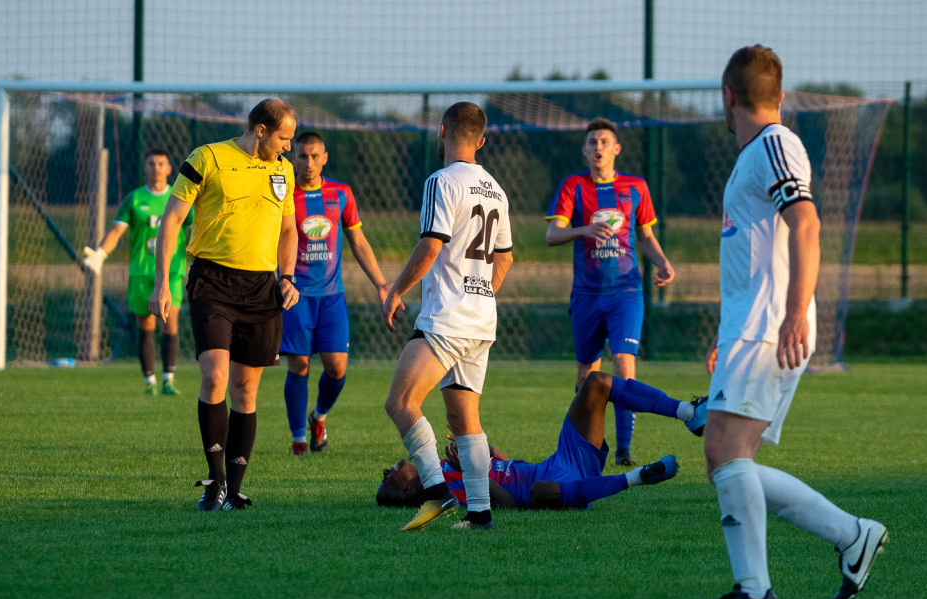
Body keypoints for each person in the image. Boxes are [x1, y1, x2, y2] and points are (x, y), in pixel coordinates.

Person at [704, 45, 887, 599]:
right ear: (779, 95)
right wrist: (725, 334)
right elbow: (757, 254)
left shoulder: (777, 144)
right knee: (732, 458)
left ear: (728, 97)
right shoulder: (758, 151)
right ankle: (853, 535)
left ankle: (755, 589)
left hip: (769, 325)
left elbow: (806, 226)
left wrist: (789, 314)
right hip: (752, 326)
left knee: (725, 452)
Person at [149, 98, 300, 512]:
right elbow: (172, 221)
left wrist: (286, 277)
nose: (288, 148)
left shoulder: (282, 170)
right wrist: (163, 283)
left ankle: (234, 489)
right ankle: (213, 482)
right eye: (284, 138)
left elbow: (289, 229)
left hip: (261, 288)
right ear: (261, 130)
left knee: (246, 390)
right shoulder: (208, 157)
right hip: (212, 281)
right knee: (215, 377)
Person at [382, 101, 512, 531]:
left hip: (449, 317)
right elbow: (506, 259)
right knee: (463, 420)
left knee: (401, 402)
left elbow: (430, 246)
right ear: (483, 140)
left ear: (441, 131)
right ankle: (480, 514)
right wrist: (480, 295)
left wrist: (396, 289)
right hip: (482, 318)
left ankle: (437, 492)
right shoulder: (496, 189)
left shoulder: (441, 181)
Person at [376, 371, 708, 510]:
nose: (387, 469)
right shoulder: (448, 492)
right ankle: (636, 478)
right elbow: (508, 504)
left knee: (594, 383)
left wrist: (486, 451)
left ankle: (688, 413)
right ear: (407, 492)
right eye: (389, 477)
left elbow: (507, 466)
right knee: (538, 493)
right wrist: (469, 472)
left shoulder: (447, 465)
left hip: (558, 462)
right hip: (551, 486)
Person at [545, 118, 675, 467]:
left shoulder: (636, 187)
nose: (598, 147)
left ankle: (624, 449)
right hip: (587, 294)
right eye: (592, 142)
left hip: (626, 292)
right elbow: (552, 235)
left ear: (616, 149)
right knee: (587, 374)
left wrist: (662, 262)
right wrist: (584, 229)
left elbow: (645, 236)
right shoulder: (573, 186)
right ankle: (581, 445)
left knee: (623, 363)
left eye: (604, 141)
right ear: (584, 150)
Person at [281, 131, 393, 456]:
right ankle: (299, 440)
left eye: (315, 156)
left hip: (332, 296)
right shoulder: (285, 194)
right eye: (303, 156)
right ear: (294, 158)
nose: (309, 162)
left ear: (325, 157)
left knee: (337, 368)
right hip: (296, 295)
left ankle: (319, 416)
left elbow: (358, 241)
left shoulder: (341, 193)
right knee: (299, 365)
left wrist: (381, 284)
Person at [82, 148, 193, 395]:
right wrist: (101, 253)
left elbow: (194, 229)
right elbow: (117, 230)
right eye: (151, 163)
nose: (156, 168)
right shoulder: (133, 199)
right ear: (145, 168)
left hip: (171, 274)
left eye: (161, 163)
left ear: (168, 168)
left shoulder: (179, 198)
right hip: (141, 274)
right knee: (145, 328)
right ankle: (150, 382)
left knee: (170, 323)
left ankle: (169, 379)